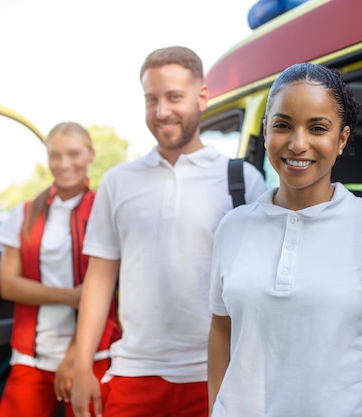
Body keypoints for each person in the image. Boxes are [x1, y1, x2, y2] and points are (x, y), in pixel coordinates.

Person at [207, 63, 362, 417]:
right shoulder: (232, 226)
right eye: (283, 125)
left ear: (342, 139)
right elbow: (221, 328)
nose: (298, 144)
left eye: (317, 128)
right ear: (266, 131)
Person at [71, 46, 267, 417]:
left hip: (217, 374)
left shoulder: (243, 180)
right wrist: (83, 368)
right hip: (133, 372)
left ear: (202, 97)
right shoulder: (118, 182)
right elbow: (99, 278)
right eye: (151, 100)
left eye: (174, 97)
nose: (162, 112)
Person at [0, 121, 121, 417]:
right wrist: (70, 296)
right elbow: (8, 285)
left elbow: (108, 285)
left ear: (91, 154)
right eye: (55, 155)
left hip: (94, 354)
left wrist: (75, 358)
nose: (64, 164)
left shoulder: (106, 207)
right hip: (32, 356)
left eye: (74, 154)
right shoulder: (24, 213)